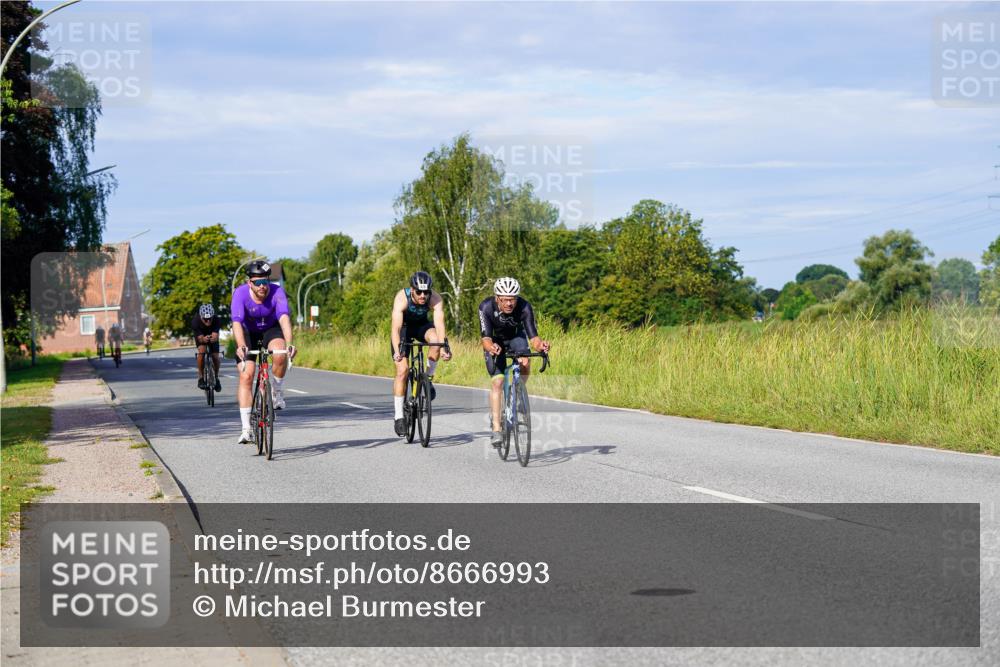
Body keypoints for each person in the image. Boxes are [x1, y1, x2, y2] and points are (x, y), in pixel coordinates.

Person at [479, 277, 550, 448]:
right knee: (498, 382)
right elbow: (486, 338)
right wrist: (491, 347)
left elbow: (533, 337)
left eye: (513, 299)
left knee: (525, 361)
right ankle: (496, 429)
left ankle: (518, 390)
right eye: (506, 299)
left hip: (515, 337)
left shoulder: (524, 307)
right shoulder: (486, 307)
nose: (510, 303)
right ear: (498, 298)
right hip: (494, 340)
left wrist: (541, 346)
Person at [231, 260, 295, 444]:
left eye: (265, 282)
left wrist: (289, 344)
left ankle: (276, 391)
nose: (262, 286)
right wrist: (241, 345)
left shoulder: (277, 292)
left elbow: (284, 319)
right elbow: (236, 323)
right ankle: (246, 429)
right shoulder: (240, 294)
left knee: (280, 353)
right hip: (248, 333)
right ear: (249, 282)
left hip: (270, 330)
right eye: (257, 282)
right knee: (247, 376)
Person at [390, 270, 451, 436]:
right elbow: (395, 329)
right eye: (419, 292)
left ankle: (428, 380)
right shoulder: (402, 298)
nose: (423, 295)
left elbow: (439, 325)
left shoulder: (436, 298)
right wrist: (397, 351)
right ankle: (399, 416)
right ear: (412, 290)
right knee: (403, 370)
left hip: (421, 326)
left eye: (426, 292)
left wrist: (445, 346)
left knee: (436, 341)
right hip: (403, 330)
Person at [192, 304, 222, 392]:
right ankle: (201, 378)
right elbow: (200, 338)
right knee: (202, 351)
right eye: (205, 319)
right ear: (201, 317)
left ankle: (216, 378)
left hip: (212, 334)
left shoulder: (217, 320)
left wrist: (214, 338)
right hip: (200, 335)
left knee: (215, 356)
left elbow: (215, 335)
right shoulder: (195, 321)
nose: (208, 321)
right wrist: (203, 339)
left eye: (210, 319)